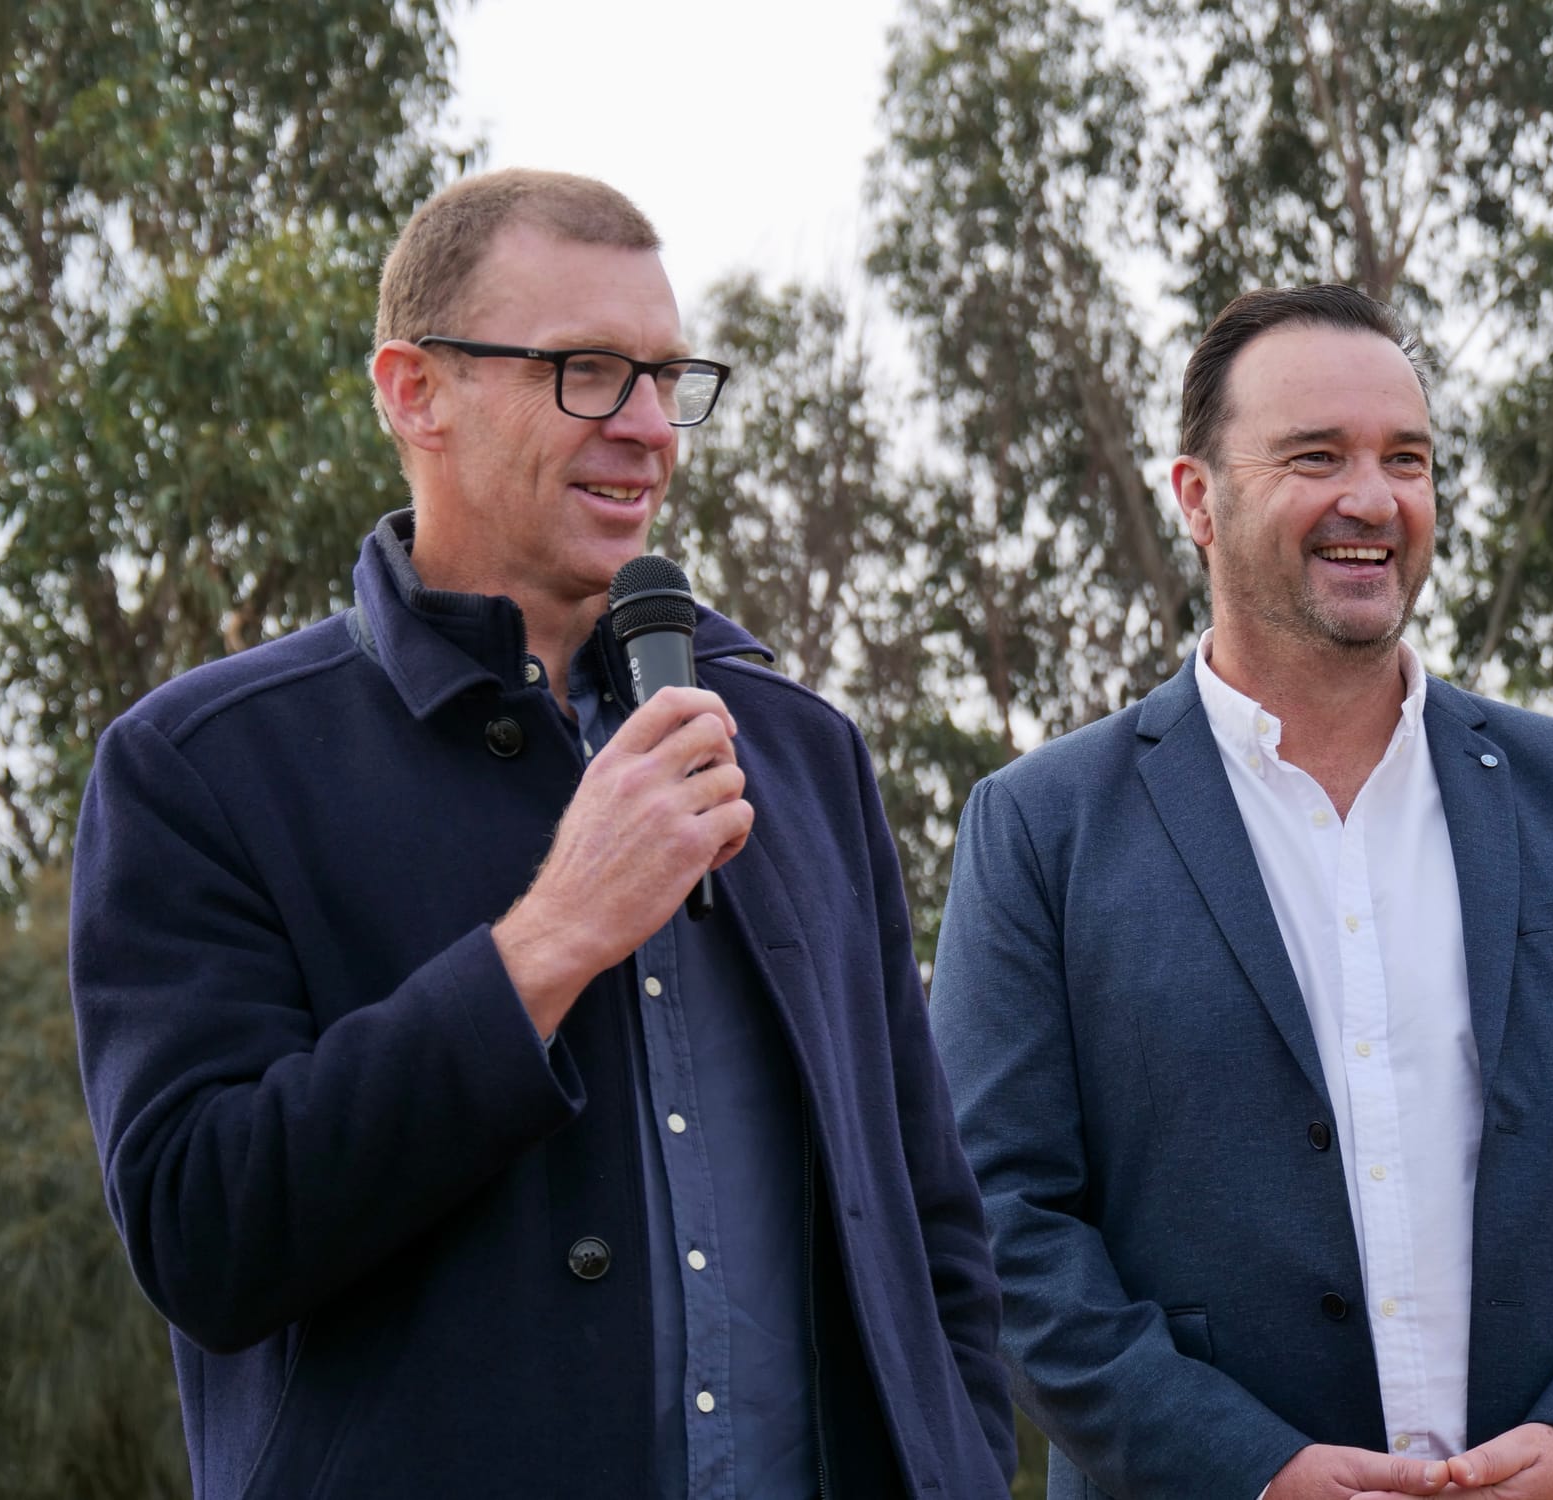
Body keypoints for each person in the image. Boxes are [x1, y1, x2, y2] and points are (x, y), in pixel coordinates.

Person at [69, 168, 1014, 1500]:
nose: (647, 429)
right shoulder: (202, 769)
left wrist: (957, 1465)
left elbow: (930, 1223)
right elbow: (202, 1231)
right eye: (585, 371)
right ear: (416, 392)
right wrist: (550, 939)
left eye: (670, 378)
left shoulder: (801, 752)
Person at [928, 283, 1553, 1500]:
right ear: (1196, 498)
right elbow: (999, 1221)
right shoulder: (1039, 829)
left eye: (1404, 459)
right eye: (1316, 456)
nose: (1371, 499)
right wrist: (1249, 1471)